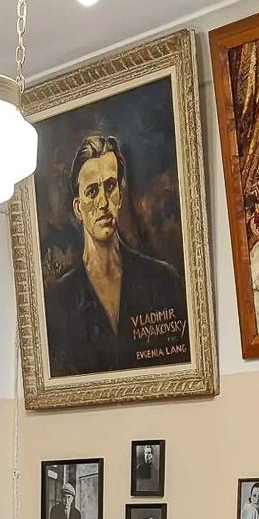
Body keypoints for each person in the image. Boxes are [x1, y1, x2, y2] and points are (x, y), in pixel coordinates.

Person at [44, 135, 188, 377]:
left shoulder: (164, 280)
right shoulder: (58, 302)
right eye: (92, 191)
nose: (103, 202)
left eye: (110, 187)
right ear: (78, 208)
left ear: (120, 196)